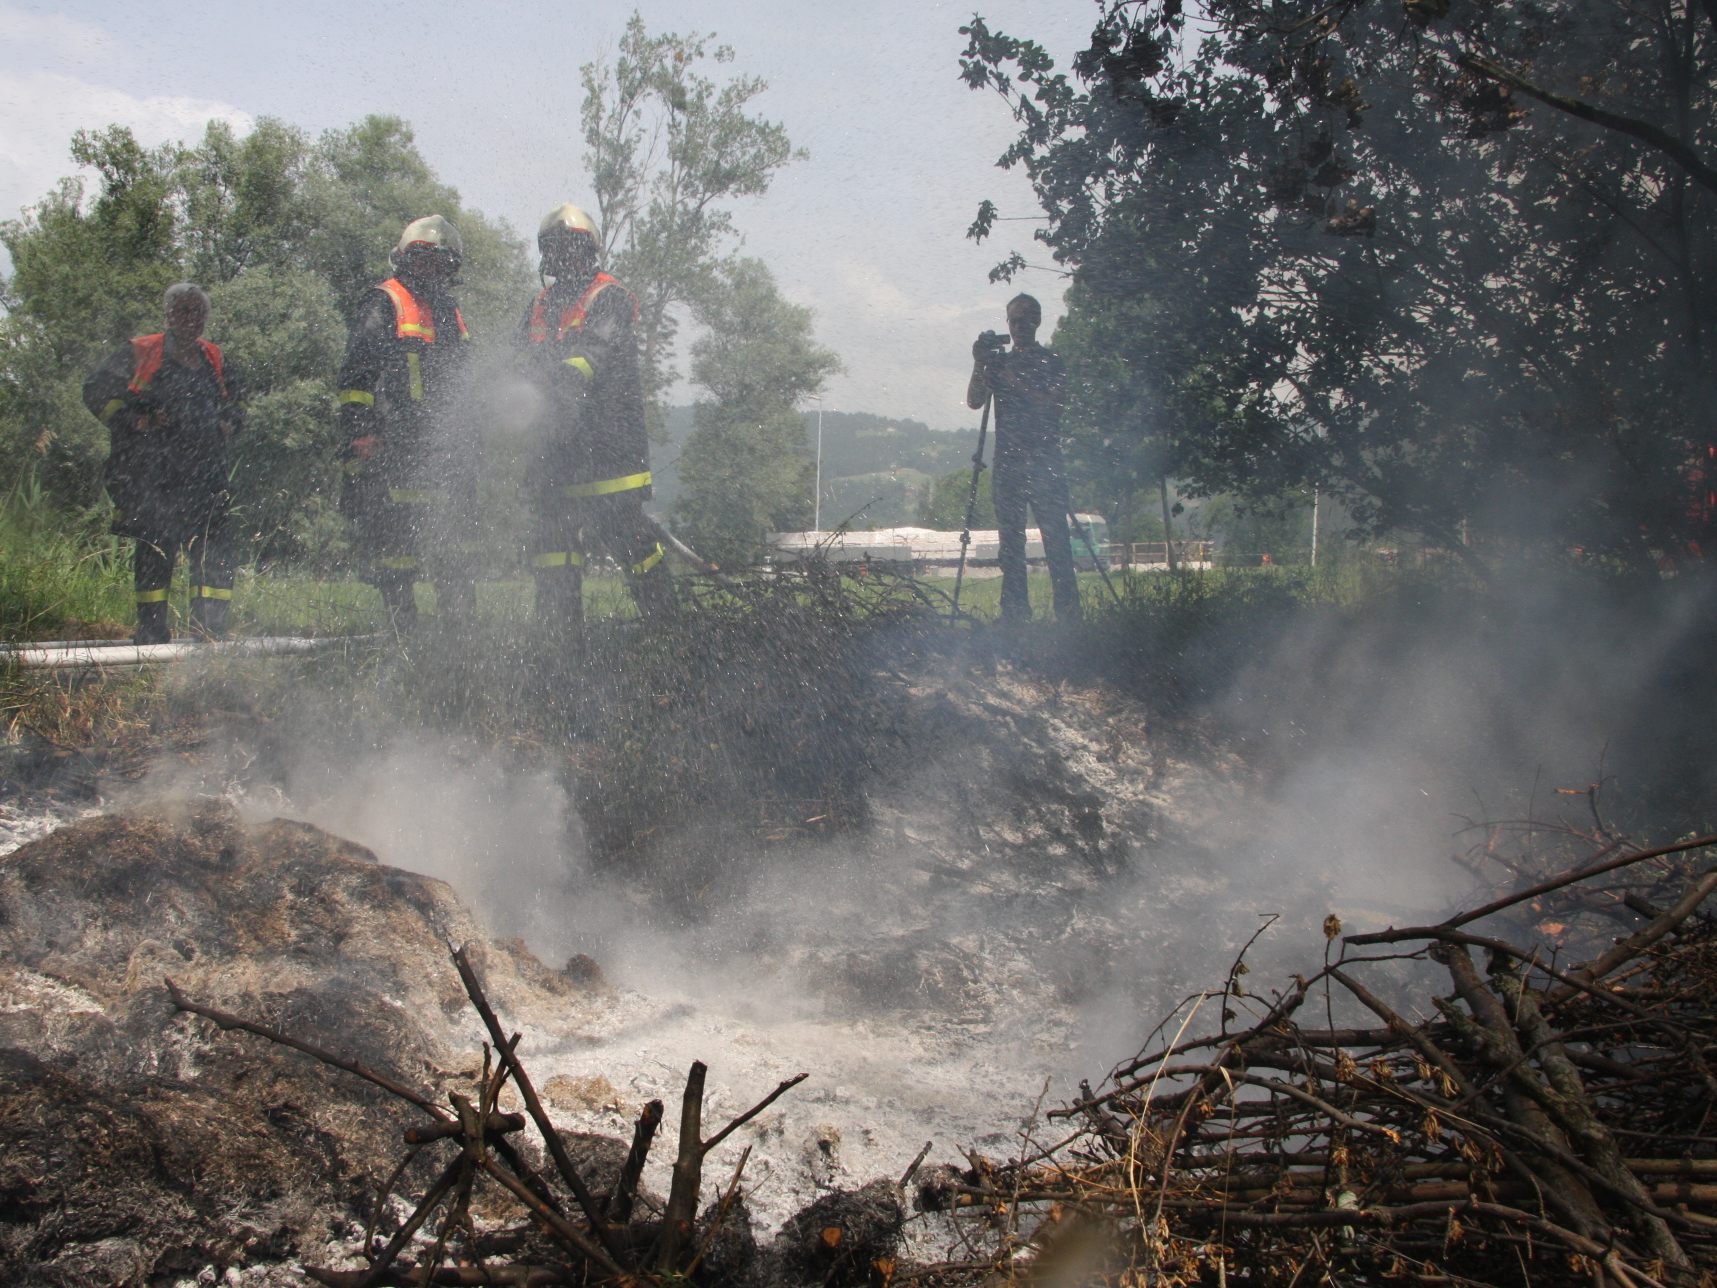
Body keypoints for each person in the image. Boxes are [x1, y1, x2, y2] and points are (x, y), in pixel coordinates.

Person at [515, 203, 677, 637]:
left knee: (629, 538)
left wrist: (558, 388)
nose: (564, 256)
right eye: (555, 248)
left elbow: (593, 354)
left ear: (589, 252)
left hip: (608, 447)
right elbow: (520, 360)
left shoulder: (610, 297)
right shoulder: (539, 305)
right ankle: (561, 639)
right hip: (555, 451)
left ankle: (668, 629)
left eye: (572, 247)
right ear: (546, 254)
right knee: (554, 545)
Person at [335, 215, 477, 628]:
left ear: (449, 267)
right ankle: (402, 626)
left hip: (447, 443)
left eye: (439, 262)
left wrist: (475, 430)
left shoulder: (451, 311)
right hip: (395, 442)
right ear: (405, 260)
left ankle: (460, 625)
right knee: (397, 540)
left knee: (456, 538)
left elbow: (466, 374)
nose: (430, 270)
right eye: (423, 260)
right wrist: (361, 429)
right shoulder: (385, 300)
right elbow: (356, 375)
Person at [84, 283, 244, 644]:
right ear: (169, 315)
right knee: (156, 550)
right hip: (154, 474)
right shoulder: (141, 351)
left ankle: (209, 630)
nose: (191, 319)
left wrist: (230, 422)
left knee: (214, 550)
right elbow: (94, 390)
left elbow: (240, 400)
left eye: (197, 312)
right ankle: (151, 630)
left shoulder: (215, 358)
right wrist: (132, 420)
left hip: (206, 474)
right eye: (183, 311)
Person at [966, 293, 1080, 624]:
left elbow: (1050, 406)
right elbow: (974, 401)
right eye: (1014, 321)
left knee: (1057, 543)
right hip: (1009, 465)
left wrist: (1008, 381)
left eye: (1026, 320)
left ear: (1038, 321)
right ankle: (1015, 615)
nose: (1019, 327)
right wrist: (979, 364)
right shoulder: (1001, 364)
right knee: (1010, 547)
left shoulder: (1052, 361)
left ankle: (1070, 616)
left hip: (1045, 463)